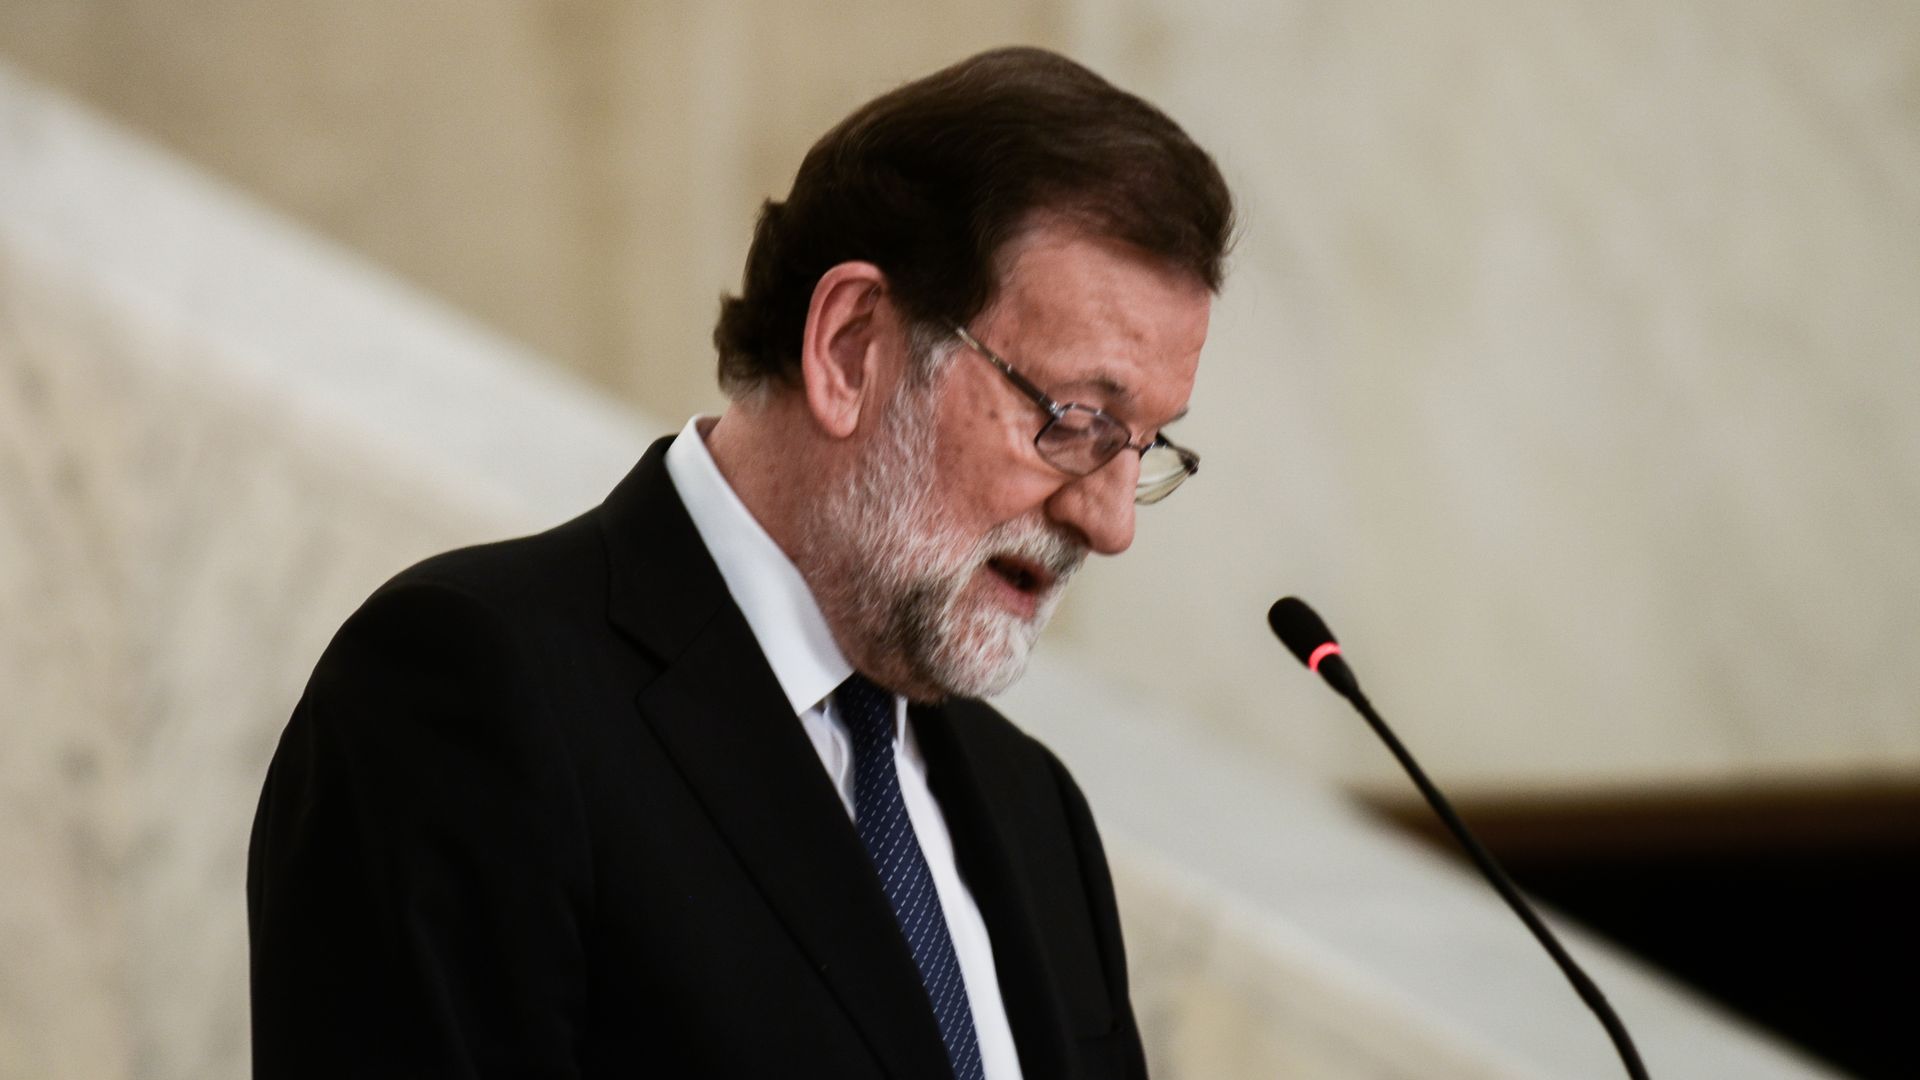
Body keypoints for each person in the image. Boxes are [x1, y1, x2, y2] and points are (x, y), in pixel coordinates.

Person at [247, 46, 1233, 1080]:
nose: (1111, 523)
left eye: (1144, 445)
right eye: (1076, 420)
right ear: (850, 348)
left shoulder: (1038, 816)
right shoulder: (471, 691)